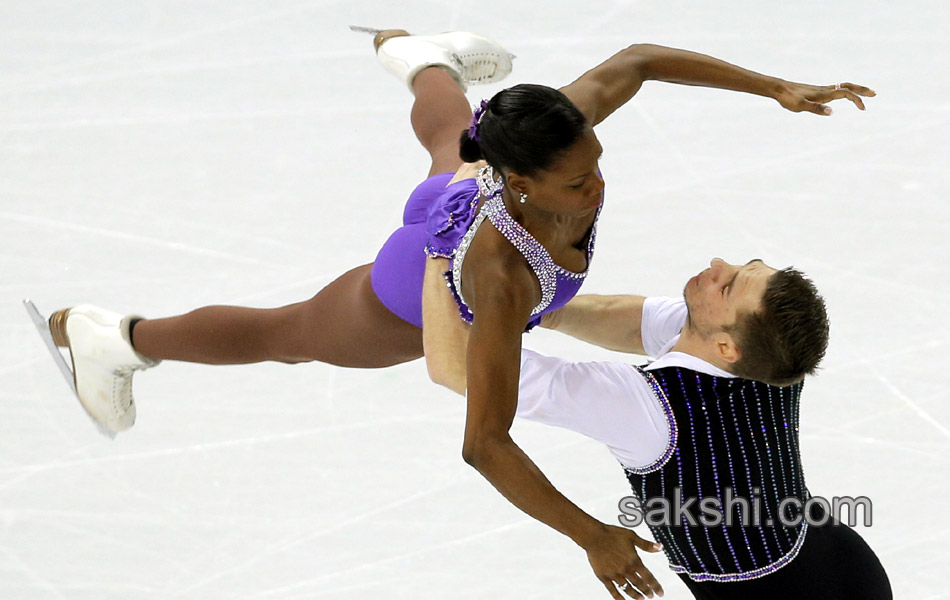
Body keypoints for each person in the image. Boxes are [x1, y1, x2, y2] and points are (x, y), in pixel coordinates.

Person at [42, 29, 873, 596]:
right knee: (291, 336)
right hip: (421, 287)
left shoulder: (550, 147)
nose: (597, 188)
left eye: (595, 164)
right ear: (524, 182)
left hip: (480, 200)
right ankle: (115, 338)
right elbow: (476, 422)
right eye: (577, 182)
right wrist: (592, 534)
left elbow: (641, 58)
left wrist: (775, 88)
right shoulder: (497, 277)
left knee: (452, 143)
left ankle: (417, 56)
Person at [422, 256, 892, 600]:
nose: (717, 266)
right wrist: (538, 309)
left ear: (726, 346)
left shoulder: (644, 407)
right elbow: (634, 324)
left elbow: (452, 366)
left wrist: (438, 254)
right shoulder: (771, 351)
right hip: (846, 566)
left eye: (726, 287)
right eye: (741, 267)